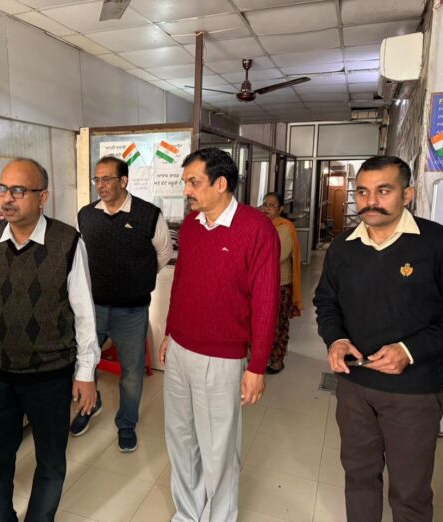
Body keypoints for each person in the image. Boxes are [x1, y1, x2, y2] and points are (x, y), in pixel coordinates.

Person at [314, 155, 443, 522]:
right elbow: (327, 301)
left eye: (383, 191)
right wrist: (335, 339)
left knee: (409, 491)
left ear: (407, 194)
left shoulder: (442, 246)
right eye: (362, 192)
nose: (370, 201)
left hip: (413, 393)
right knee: (359, 476)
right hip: (354, 386)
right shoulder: (344, 246)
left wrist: (409, 350)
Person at [0, 158, 100, 522]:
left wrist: (86, 373)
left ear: (43, 197)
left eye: (18, 191)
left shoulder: (67, 241)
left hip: (51, 375)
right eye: (2, 190)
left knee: (50, 462)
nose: (7, 199)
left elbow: (84, 313)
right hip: (0, 374)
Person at [160, 147, 280, 522]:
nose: (186, 191)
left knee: (218, 450)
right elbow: (181, 283)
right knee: (181, 438)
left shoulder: (256, 229)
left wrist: (256, 367)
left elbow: (266, 302)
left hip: (222, 357)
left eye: (194, 183)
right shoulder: (191, 226)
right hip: (179, 349)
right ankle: (188, 513)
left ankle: (219, 517)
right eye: (186, 183)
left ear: (221, 183)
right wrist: (169, 332)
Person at [70, 156, 172, 451]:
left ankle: (126, 423)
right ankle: (90, 405)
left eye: (107, 179)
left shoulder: (148, 214)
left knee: (131, 372)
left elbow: (163, 253)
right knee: (83, 363)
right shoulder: (86, 215)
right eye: (97, 179)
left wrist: (139, 278)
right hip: (93, 308)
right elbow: (79, 255)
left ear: (124, 181)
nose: (100, 185)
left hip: (132, 310)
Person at [260, 192, 303, 374]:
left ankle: (277, 360)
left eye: (272, 205)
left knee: (278, 324)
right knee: (262, 323)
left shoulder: (284, 228)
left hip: (280, 285)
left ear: (281, 209)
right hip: (261, 284)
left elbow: (278, 256)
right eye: (265, 204)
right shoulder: (262, 225)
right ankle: (262, 357)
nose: (267, 208)